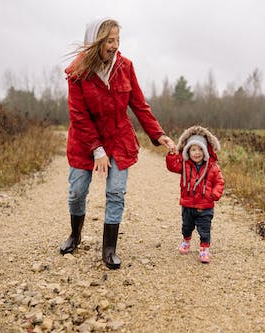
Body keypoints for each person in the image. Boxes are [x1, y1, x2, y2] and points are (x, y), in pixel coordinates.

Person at [60, 18, 176, 270]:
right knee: (77, 191)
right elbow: (78, 115)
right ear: (96, 42)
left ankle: (109, 248)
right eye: (109, 40)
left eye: (117, 40)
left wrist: (158, 134)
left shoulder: (125, 67)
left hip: (118, 138)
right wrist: (96, 149)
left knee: (115, 192)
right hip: (85, 140)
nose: (114, 45)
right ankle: (75, 234)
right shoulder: (77, 73)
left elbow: (139, 104)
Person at [166, 125, 225, 263]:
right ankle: (186, 241)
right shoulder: (185, 165)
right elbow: (172, 166)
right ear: (188, 151)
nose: (196, 153)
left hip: (205, 206)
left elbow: (220, 182)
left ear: (205, 151)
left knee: (204, 229)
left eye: (200, 149)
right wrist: (171, 155)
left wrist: (214, 194)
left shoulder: (212, 167)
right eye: (193, 149)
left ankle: (204, 250)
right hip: (188, 204)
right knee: (186, 226)